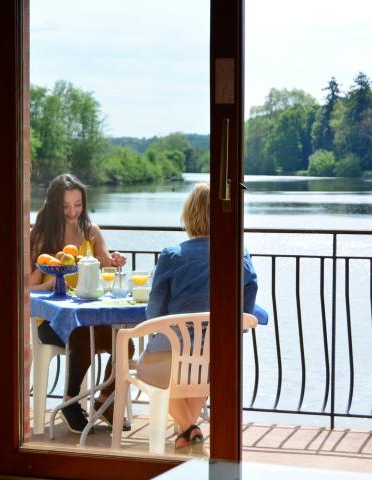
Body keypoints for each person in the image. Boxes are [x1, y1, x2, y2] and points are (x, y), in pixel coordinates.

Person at [136, 183, 268, 449]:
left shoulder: (172, 255)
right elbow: (249, 294)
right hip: (214, 353)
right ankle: (188, 435)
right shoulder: (238, 253)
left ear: (189, 214)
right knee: (202, 369)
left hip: (170, 352)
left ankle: (189, 429)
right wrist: (236, 327)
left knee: (148, 371)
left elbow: (155, 311)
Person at [29, 173, 134, 433]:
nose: (73, 211)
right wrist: (47, 285)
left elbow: (107, 263)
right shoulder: (42, 235)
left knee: (125, 343)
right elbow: (25, 286)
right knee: (80, 334)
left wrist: (117, 259)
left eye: (78, 204)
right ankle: (70, 402)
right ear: (54, 205)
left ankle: (104, 400)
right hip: (51, 322)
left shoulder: (91, 232)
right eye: (66, 206)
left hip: (88, 317)